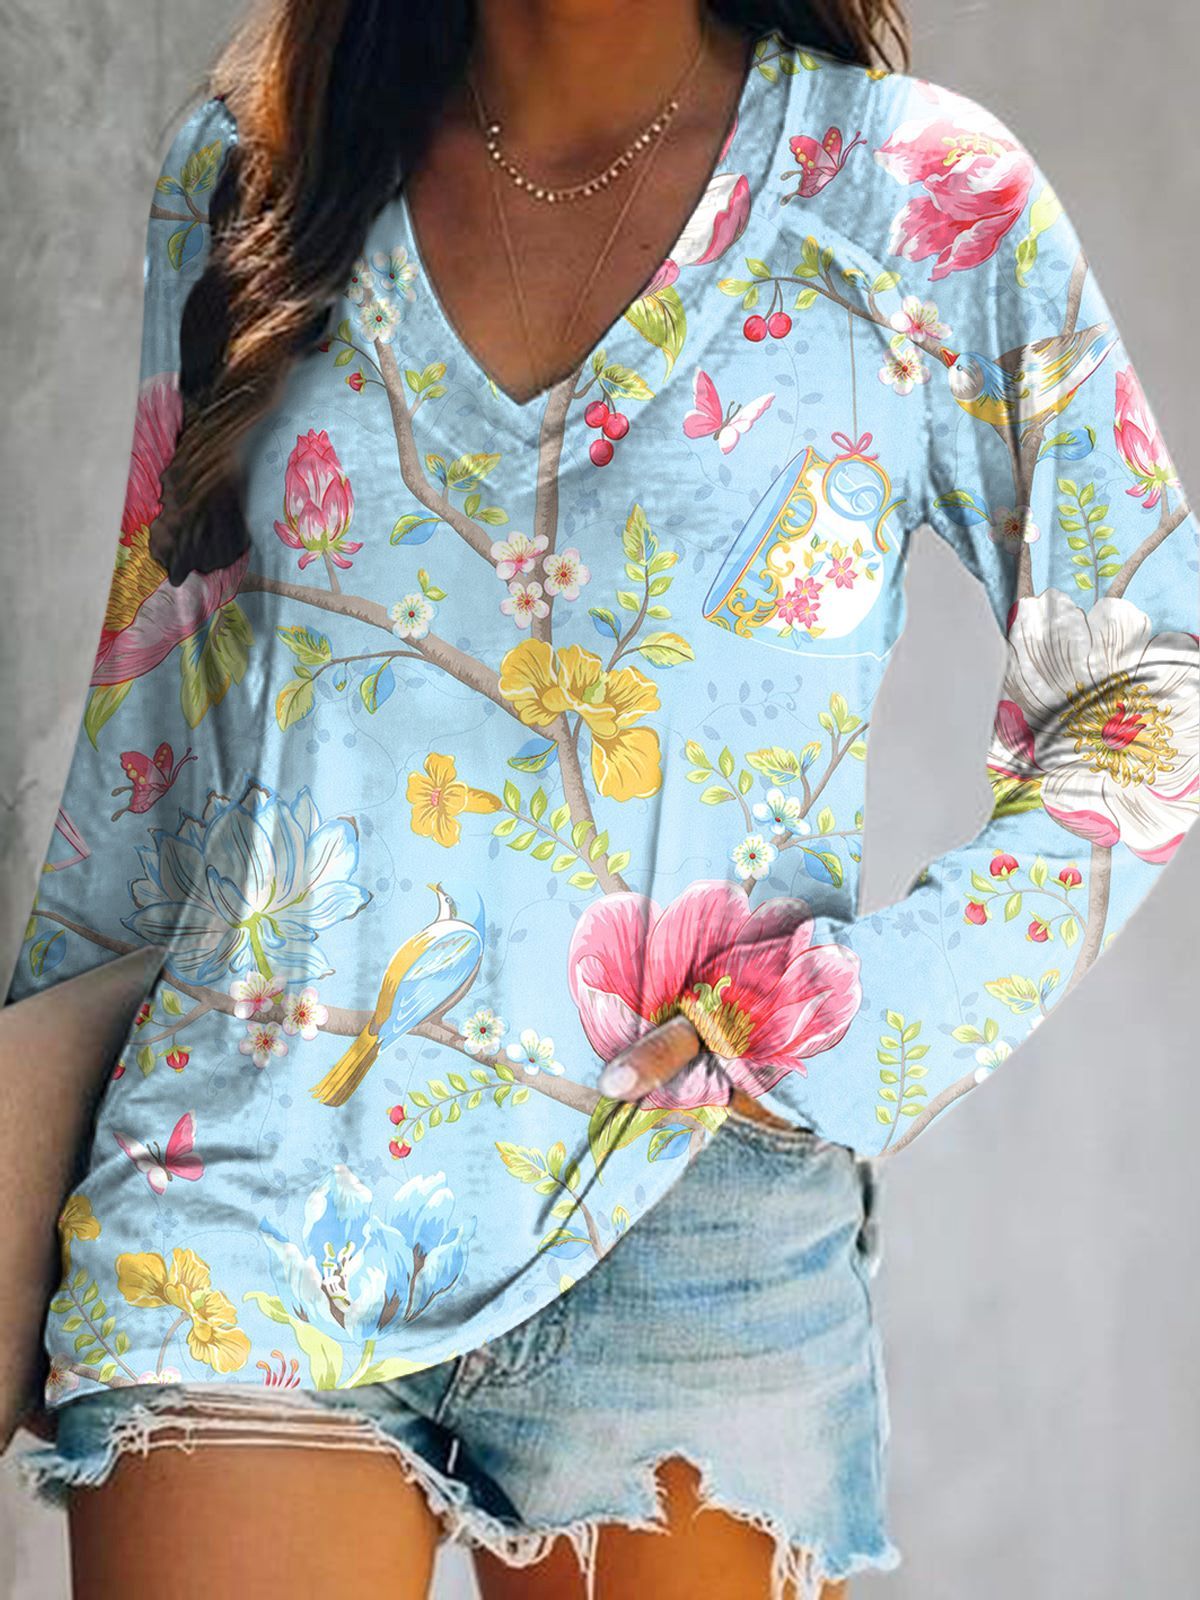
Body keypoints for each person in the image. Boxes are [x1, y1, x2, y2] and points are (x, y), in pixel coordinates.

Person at [1, 1, 1196, 1596]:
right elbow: (156, 708)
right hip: (251, 1180)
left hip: (690, 1212)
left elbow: (1150, 676)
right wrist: (28, 1170)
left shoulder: (914, 198)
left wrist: (867, 1017)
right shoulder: (256, 160)